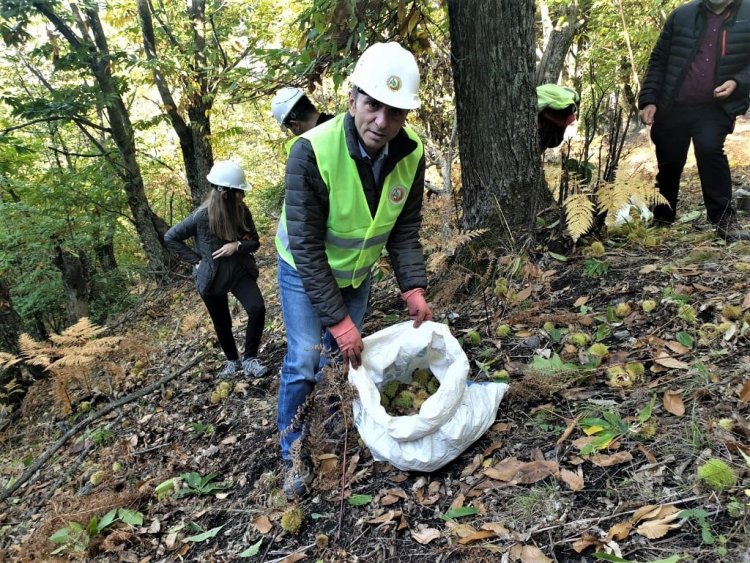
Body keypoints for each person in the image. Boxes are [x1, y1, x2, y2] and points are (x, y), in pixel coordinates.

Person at [274, 42, 433, 499]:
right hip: (305, 270)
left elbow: (404, 230)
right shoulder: (311, 152)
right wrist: (339, 321)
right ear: (352, 100)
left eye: (395, 112)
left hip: (356, 272)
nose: (381, 121)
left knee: (344, 357)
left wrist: (413, 288)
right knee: (306, 356)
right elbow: (306, 248)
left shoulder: (411, 154)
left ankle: (330, 425)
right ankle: (293, 452)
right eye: (372, 105)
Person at [638, 0, 750, 241]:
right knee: (669, 161)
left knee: (710, 151)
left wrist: (738, 82)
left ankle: (723, 221)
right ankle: (661, 218)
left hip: (715, 107)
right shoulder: (682, 15)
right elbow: (659, 59)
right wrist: (649, 99)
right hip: (674, 104)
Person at [165, 160, 268, 378]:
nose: (243, 196)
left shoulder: (242, 211)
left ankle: (250, 358)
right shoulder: (201, 217)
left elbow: (255, 242)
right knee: (222, 323)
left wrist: (237, 245)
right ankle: (233, 361)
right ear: (225, 193)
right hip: (212, 278)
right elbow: (171, 237)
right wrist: (196, 260)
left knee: (257, 308)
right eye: (239, 191)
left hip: (240, 271)